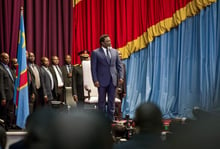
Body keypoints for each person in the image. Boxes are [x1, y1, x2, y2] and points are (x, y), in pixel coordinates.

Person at [91, 34, 124, 121]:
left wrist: (121, 77)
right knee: (101, 101)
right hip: (101, 81)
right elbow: (93, 68)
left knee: (111, 101)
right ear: (102, 43)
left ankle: (110, 119)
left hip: (113, 80)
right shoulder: (96, 52)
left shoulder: (115, 52)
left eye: (110, 40)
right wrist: (95, 80)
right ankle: (101, 120)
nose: (110, 42)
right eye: (107, 41)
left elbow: (119, 66)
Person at [0, 52, 15, 129]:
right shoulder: (1, 68)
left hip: (11, 94)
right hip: (5, 95)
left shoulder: (8, 68)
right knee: (3, 113)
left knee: (10, 112)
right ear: (1, 58)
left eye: (8, 58)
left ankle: (8, 127)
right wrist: (3, 97)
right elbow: (1, 84)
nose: (8, 60)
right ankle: (2, 129)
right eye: (5, 58)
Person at [115, 50, 126, 119]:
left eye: (120, 54)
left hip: (121, 88)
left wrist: (124, 90)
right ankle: (116, 117)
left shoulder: (123, 65)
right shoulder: (112, 65)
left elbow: (124, 78)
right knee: (116, 103)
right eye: (118, 55)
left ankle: (118, 117)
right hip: (114, 88)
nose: (120, 56)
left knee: (120, 104)